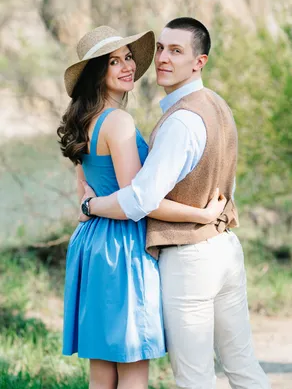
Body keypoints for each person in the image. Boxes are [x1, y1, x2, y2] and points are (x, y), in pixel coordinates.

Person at [79, 18, 271, 389]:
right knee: (243, 365)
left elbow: (141, 200)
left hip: (189, 257)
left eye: (176, 51)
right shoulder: (217, 105)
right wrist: (211, 215)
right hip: (225, 246)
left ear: (199, 62)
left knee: (194, 377)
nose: (163, 59)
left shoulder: (180, 121)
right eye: (162, 48)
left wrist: (91, 207)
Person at [58, 24, 227, 389]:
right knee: (133, 368)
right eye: (113, 62)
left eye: (128, 57)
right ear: (95, 74)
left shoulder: (82, 122)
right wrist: (202, 215)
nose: (127, 66)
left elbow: (84, 196)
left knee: (101, 373)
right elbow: (140, 202)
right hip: (122, 249)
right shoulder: (117, 121)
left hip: (91, 245)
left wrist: (90, 209)